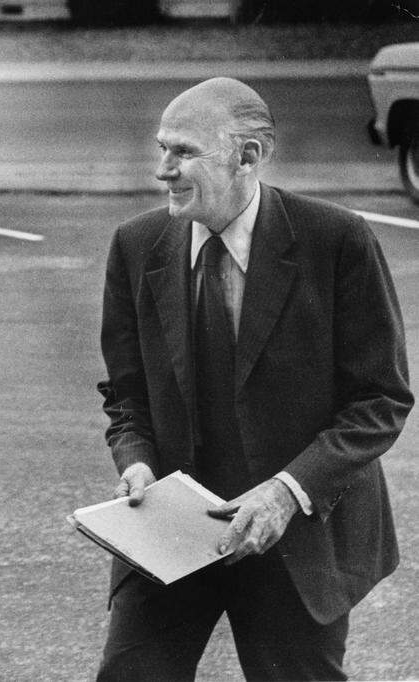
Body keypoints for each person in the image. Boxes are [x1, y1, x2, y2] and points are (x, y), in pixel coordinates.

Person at [96, 77, 412, 680]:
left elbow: (381, 398)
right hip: (171, 532)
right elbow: (127, 394)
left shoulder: (337, 240)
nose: (163, 169)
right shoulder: (137, 245)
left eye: (183, 152)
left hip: (295, 536)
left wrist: (285, 491)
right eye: (163, 148)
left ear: (249, 156)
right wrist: (134, 461)